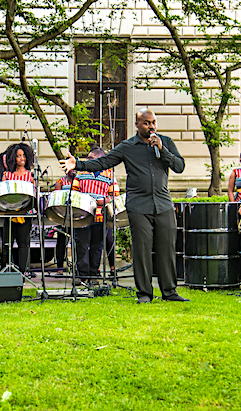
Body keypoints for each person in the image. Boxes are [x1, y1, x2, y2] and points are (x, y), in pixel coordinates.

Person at [61, 108, 189, 303]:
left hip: (163, 203)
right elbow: (102, 163)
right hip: (139, 205)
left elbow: (179, 166)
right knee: (142, 249)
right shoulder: (127, 147)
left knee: (166, 249)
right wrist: (77, 164)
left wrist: (163, 150)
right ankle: (145, 293)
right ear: (137, 125)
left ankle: (169, 292)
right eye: (146, 123)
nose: (151, 126)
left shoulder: (166, 143)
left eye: (153, 122)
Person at [72, 147, 114, 281]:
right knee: (82, 245)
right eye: (88, 158)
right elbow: (74, 191)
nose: (88, 160)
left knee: (97, 245)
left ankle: (93, 273)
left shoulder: (109, 174)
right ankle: (82, 275)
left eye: (92, 158)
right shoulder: (81, 172)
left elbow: (114, 195)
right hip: (83, 215)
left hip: (101, 216)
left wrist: (103, 200)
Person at [1, 142, 35, 276]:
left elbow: (33, 194)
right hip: (9, 212)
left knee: (23, 244)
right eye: (18, 156)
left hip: (24, 213)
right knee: (6, 243)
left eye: (24, 155)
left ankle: (22, 272)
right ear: (13, 158)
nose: (22, 158)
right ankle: (6, 270)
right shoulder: (7, 175)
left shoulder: (31, 175)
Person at [52, 169, 75, 272]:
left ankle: (76, 267)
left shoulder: (79, 181)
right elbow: (57, 198)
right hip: (64, 215)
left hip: (76, 215)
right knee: (61, 242)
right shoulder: (60, 182)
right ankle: (60, 268)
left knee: (76, 242)